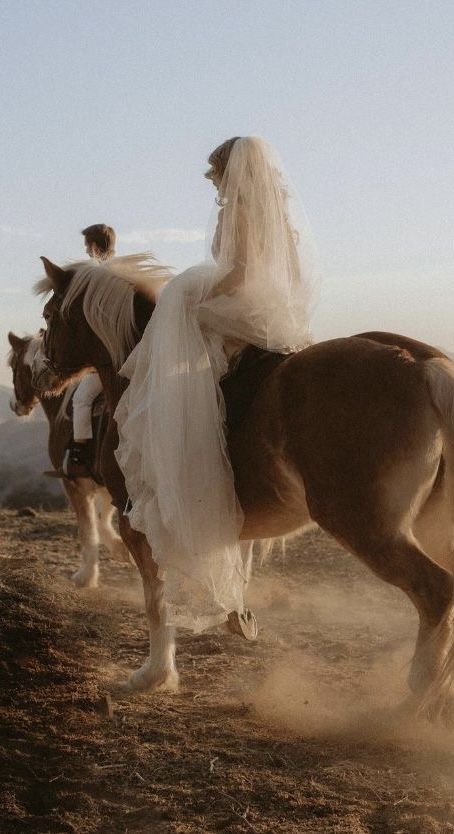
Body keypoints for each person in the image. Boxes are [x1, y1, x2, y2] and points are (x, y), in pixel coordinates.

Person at [115, 137, 314, 630]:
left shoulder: (239, 213)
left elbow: (241, 272)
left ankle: (186, 458)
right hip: (273, 311)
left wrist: (202, 301)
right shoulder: (279, 216)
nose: (212, 181)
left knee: (177, 363)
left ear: (231, 172)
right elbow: (283, 274)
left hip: (244, 305)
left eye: (215, 172)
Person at [56, 225, 116, 478]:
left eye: (87, 245)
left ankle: (80, 448)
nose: (85, 250)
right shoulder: (120, 271)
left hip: (107, 359)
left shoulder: (95, 277)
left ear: (93, 246)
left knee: (81, 399)